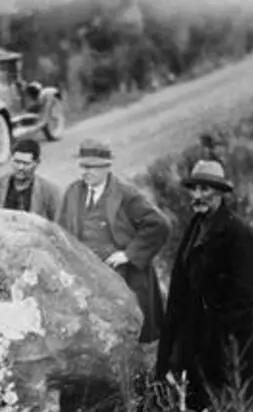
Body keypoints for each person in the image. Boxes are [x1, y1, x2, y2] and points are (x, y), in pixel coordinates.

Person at [155, 160, 253, 412]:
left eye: (206, 190)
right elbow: (181, 286)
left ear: (220, 193)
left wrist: (217, 330)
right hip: (196, 340)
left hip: (227, 346)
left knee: (227, 410)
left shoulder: (238, 234)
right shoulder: (195, 227)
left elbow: (248, 294)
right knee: (198, 410)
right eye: (195, 189)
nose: (198, 196)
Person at [56, 138, 170, 345]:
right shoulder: (73, 192)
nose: (85, 172)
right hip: (86, 279)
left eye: (91, 167)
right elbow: (61, 231)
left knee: (132, 334)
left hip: (123, 278)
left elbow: (159, 225)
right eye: (82, 166)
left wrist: (129, 254)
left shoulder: (126, 195)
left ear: (106, 167)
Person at [0, 138, 60, 221]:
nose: (20, 167)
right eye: (17, 162)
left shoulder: (49, 191)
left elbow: (57, 225)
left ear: (37, 162)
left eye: (26, 163)